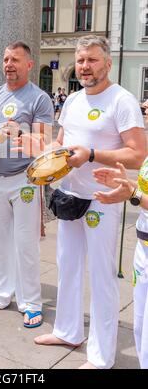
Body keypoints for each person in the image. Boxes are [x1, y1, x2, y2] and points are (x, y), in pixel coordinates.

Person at [13, 35, 146, 368]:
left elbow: (139, 154)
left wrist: (92, 156)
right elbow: (62, 145)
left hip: (103, 199)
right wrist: (40, 152)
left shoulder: (122, 100)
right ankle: (68, 330)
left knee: (101, 277)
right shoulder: (72, 100)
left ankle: (101, 357)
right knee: (67, 268)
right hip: (69, 195)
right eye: (81, 60)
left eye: (92, 60)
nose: (85, 67)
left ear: (108, 63)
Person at [0, 41, 54, 328]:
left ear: (28, 65)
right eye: (5, 59)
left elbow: (45, 144)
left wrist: (20, 134)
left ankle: (30, 302)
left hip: (25, 180)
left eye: (15, 60)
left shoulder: (39, 98)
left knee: (26, 243)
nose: (8, 64)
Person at [92, 101, 148, 369]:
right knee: (139, 330)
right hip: (143, 247)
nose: (145, 108)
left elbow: (140, 196)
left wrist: (134, 195)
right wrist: (125, 185)